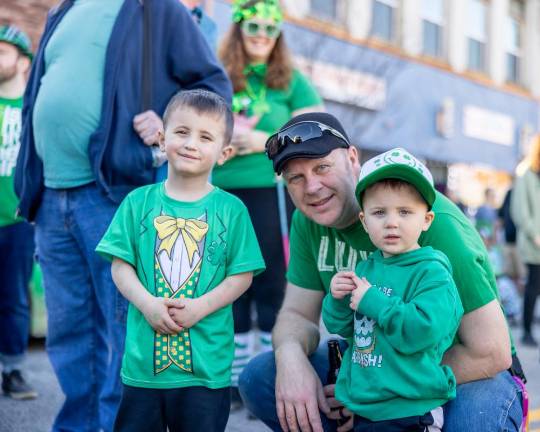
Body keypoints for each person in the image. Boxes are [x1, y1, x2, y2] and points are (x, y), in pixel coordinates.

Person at [14, 1, 232, 430]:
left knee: (124, 332)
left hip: (113, 192)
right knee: (70, 334)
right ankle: (78, 425)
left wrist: (172, 116)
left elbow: (212, 84)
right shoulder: (66, 9)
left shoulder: (156, 8)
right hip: (52, 195)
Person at [239, 112, 523, 432]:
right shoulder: (308, 221)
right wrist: (291, 359)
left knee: (475, 423)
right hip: (369, 357)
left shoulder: (433, 222)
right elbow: (297, 314)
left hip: (462, 367)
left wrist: (377, 389)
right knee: (262, 377)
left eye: (322, 168)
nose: (312, 187)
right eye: (295, 178)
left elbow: (490, 352)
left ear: (351, 158)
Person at [96, 89, 265, 431]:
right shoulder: (137, 202)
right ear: (161, 138)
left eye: (205, 137)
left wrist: (201, 307)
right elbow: (119, 265)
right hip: (144, 369)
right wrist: (147, 304)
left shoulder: (232, 211)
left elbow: (242, 275)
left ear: (224, 153)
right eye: (182, 132)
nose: (191, 143)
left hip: (206, 370)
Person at [213, 0, 322, 401]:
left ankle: (270, 371)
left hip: (271, 191)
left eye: (270, 29)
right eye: (253, 25)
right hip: (221, 192)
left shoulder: (291, 80)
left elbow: (314, 130)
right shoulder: (219, 73)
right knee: (229, 282)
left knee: (271, 282)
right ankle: (232, 377)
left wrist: (266, 140)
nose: (261, 34)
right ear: (239, 27)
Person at [323, 150, 463, 431]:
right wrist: (337, 299)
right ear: (364, 221)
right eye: (379, 212)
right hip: (368, 404)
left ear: (426, 220)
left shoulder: (432, 272)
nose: (391, 222)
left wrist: (374, 302)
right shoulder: (365, 270)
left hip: (411, 406)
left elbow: (422, 331)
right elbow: (344, 328)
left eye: (405, 212)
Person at [0, 24, 37, 401]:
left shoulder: (31, 108)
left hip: (16, 221)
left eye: (2, 52)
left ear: (23, 61)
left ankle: (12, 371)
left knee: (13, 297)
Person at [511, 134, 540, 347]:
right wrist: (535, 234)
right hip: (534, 242)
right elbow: (520, 211)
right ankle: (527, 331)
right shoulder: (526, 173)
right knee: (533, 285)